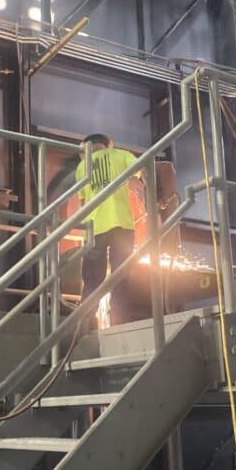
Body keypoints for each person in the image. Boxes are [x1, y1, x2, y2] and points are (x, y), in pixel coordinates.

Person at [75, 134, 140, 326]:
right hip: (122, 225)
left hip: (94, 227)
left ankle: (86, 321)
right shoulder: (120, 155)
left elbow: (83, 203)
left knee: (92, 278)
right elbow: (143, 170)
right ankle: (118, 322)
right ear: (108, 145)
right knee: (121, 275)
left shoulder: (81, 167)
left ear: (85, 149)